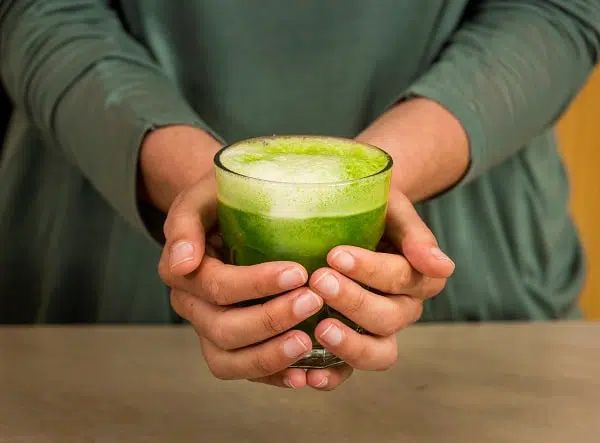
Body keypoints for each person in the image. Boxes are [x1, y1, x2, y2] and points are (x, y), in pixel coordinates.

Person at [0, 1, 598, 390]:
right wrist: (193, 182)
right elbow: (41, 11)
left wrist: (374, 177)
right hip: (101, 288)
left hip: (480, 302)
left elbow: (557, 10)